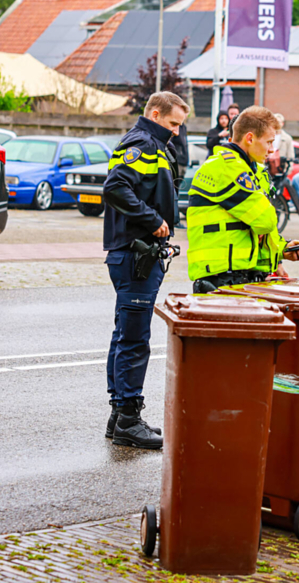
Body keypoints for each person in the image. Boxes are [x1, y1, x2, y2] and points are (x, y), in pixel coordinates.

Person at [102, 91, 187, 450]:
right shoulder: (144, 143)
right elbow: (116, 187)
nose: (177, 132)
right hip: (136, 254)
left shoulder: (152, 143)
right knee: (135, 340)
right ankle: (128, 420)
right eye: (173, 123)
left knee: (126, 334)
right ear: (155, 113)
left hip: (138, 254)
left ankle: (120, 415)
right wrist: (153, 221)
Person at [186, 106, 299, 292]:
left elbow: (257, 228)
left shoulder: (252, 169)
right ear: (250, 138)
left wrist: (281, 249)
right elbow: (265, 220)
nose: (271, 150)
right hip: (221, 277)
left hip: (239, 273)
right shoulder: (227, 168)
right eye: (269, 142)